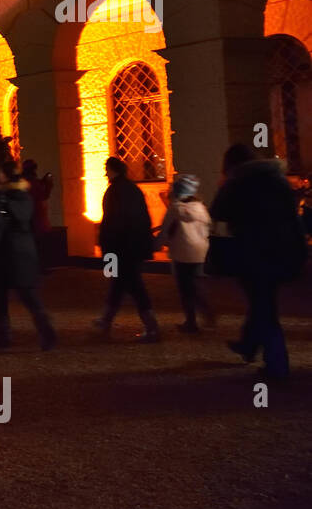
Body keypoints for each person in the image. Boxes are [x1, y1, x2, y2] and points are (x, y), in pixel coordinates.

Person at [210, 144, 307, 380]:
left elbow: (218, 211)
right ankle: (249, 344)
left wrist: (225, 183)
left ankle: (277, 365)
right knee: (263, 301)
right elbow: (292, 216)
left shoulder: (238, 183)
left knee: (264, 306)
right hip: (283, 251)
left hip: (254, 253)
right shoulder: (277, 179)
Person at [0, 161, 57, 351]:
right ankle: (47, 332)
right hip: (24, 249)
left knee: (0, 297)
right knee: (29, 295)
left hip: (4, 252)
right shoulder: (26, 195)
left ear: (4, 176)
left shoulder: (1, 198)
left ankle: (3, 336)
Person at [94, 157, 159, 342]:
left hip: (119, 248)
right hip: (133, 246)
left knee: (131, 284)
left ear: (113, 170)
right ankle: (106, 320)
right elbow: (143, 218)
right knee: (120, 283)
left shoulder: (114, 191)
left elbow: (111, 221)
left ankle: (151, 326)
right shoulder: (133, 189)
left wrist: (105, 245)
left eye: (107, 169)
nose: (105, 173)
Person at [158, 173, 214, 334]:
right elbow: (208, 228)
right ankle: (205, 309)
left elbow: (165, 230)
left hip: (182, 252)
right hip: (200, 252)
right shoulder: (201, 208)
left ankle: (191, 322)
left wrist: (156, 245)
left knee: (185, 288)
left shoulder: (175, 208)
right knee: (195, 284)